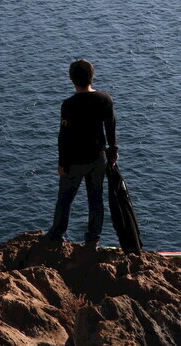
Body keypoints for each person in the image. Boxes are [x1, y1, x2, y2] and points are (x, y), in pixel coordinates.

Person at [45, 59, 118, 246]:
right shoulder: (105, 99)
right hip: (98, 159)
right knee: (96, 200)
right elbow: (111, 127)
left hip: (74, 162)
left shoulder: (69, 104)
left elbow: (64, 137)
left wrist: (62, 164)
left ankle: (56, 235)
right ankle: (93, 239)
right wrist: (113, 151)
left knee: (65, 199)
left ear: (71, 79)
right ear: (92, 76)